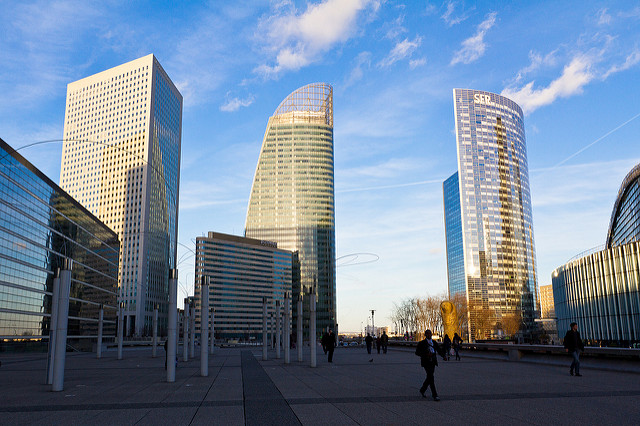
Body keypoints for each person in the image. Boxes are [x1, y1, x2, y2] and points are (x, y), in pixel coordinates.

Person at [415, 329, 443, 401]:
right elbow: (417, 352)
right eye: (427, 334)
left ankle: (422, 389)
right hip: (426, 361)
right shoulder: (421, 343)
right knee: (431, 377)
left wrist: (444, 356)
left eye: (430, 334)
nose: (429, 335)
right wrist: (426, 354)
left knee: (429, 377)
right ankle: (435, 395)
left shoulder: (434, 342)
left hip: (433, 361)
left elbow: (439, 350)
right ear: (425, 335)